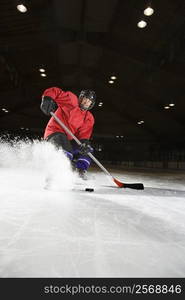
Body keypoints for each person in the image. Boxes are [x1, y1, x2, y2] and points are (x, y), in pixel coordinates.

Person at [40, 87, 96, 179]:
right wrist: (47, 98)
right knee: (66, 150)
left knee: (87, 149)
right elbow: (56, 91)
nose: (86, 102)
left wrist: (84, 142)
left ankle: (80, 171)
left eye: (89, 101)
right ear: (80, 98)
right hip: (55, 132)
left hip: (69, 140)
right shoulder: (71, 100)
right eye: (85, 98)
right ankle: (58, 172)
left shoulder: (88, 117)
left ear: (91, 104)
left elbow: (84, 134)